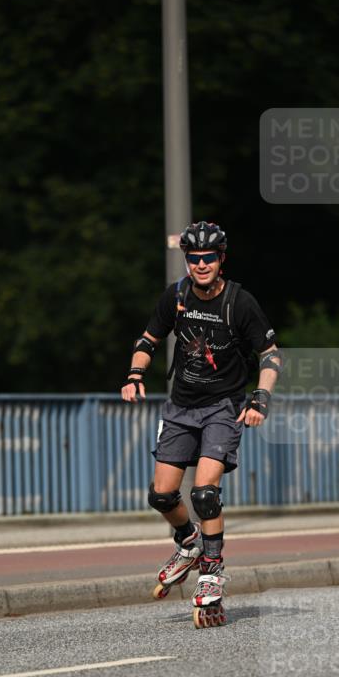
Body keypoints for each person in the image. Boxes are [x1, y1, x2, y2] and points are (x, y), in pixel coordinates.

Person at [121, 221, 282, 626]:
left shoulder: (239, 302)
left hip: (222, 408)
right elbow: (147, 339)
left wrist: (260, 398)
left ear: (221, 259)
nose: (201, 265)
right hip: (180, 406)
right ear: (188, 261)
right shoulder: (175, 296)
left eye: (209, 258)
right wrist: (135, 375)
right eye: (194, 259)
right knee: (161, 496)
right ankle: (188, 541)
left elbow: (270, 355)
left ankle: (211, 573)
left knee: (205, 494)